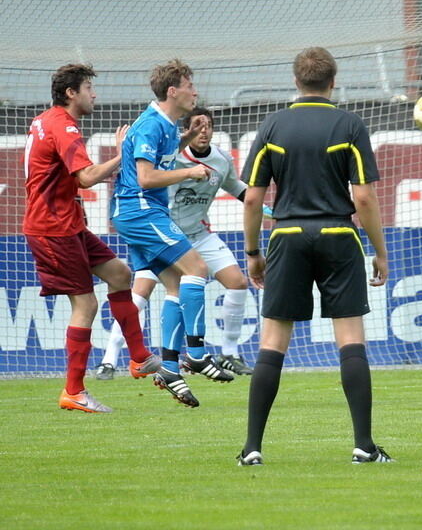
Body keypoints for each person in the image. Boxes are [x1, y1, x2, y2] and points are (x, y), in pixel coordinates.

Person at [237, 47, 391, 466]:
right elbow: (363, 197)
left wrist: (252, 252)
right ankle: (364, 445)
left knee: (272, 342)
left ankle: (252, 448)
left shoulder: (273, 125)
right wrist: (379, 250)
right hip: (339, 234)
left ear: (296, 81)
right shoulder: (349, 124)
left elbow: (252, 200)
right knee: (351, 339)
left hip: (286, 234)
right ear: (332, 81)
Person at [96, 106, 272, 379]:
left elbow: (238, 189)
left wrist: (272, 210)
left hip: (199, 235)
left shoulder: (221, 160)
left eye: (208, 126)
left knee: (237, 282)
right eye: (198, 126)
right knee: (140, 294)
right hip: (164, 235)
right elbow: (144, 176)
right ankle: (109, 359)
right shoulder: (172, 159)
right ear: (187, 129)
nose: (204, 132)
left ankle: (228, 353)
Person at [23, 63, 160, 413]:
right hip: (52, 228)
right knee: (85, 304)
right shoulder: (64, 126)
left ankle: (140, 357)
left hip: (66, 223)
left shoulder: (45, 119)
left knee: (119, 274)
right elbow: (85, 178)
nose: (94, 94)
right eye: (88, 87)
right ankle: (74, 391)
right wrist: (122, 152)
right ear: (72, 93)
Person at [112, 59, 234, 409]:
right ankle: (195, 353)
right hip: (140, 210)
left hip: (140, 212)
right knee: (197, 269)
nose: (195, 91)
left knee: (176, 285)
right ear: (173, 91)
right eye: (190, 84)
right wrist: (190, 173)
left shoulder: (167, 125)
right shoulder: (151, 125)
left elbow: (163, 153)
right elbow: (147, 178)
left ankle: (168, 367)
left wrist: (186, 137)